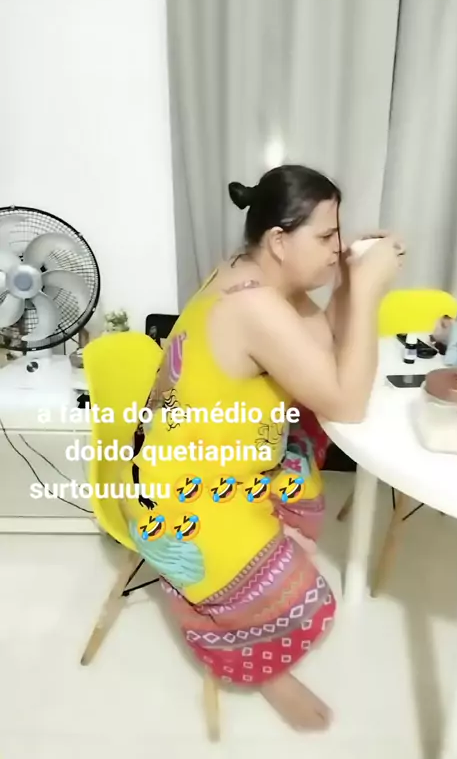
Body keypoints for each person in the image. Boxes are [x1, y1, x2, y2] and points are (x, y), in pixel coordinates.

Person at [118, 165, 404, 731]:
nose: (337, 247)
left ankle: (259, 560)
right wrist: (369, 293)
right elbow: (348, 402)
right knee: (302, 598)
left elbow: (321, 345)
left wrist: (347, 282)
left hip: (204, 464)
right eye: (325, 236)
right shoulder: (254, 306)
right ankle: (247, 648)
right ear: (279, 240)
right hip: (174, 497)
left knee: (301, 459)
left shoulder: (247, 272)